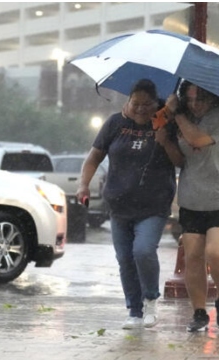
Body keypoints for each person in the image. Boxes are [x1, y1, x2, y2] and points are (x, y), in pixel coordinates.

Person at [77, 79, 176, 330]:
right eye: (136, 103)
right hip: (119, 204)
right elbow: (93, 158)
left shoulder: (166, 122)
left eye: (147, 104)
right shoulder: (115, 124)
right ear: (127, 101)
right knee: (125, 259)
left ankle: (151, 299)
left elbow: (181, 160)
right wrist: (83, 185)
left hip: (154, 204)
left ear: (157, 103)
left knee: (143, 251)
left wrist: (164, 139)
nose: (141, 109)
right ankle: (134, 310)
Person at [154, 81, 219, 332]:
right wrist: (165, 138)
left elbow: (197, 139)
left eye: (201, 99)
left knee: (215, 252)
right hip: (193, 199)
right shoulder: (178, 118)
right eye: (190, 98)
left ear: (213, 99)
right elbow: (179, 159)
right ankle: (198, 313)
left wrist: (178, 113)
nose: (195, 104)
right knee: (192, 255)